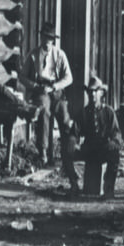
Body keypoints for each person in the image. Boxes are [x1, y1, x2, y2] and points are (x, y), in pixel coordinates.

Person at [25, 24, 72, 162]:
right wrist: (35, 86)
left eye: (50, 38)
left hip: (55, 89)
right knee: (44, 111)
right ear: (40, 37)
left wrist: (55, 86)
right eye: (45, 37)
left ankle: (67, 152)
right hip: (40, 90)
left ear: (53, 40)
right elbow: (22, 76)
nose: (47, 41)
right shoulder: (33, 55)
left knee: (63, 113)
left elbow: (69, 78)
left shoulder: (60, 55)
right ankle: (43, 151)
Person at [78, 74, 123, 198]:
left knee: (114, 155)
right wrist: (73, 141)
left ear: (101, 93)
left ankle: (108, 189)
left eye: (95, 91)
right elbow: (75, 131)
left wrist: (113, 143)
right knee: (66, 151)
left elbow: (116, 133)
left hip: (103, 149)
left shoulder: (108, 112)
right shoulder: (84, 112)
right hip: (89, 150)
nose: (92, 94)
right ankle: (74, 184)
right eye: (90, 92)